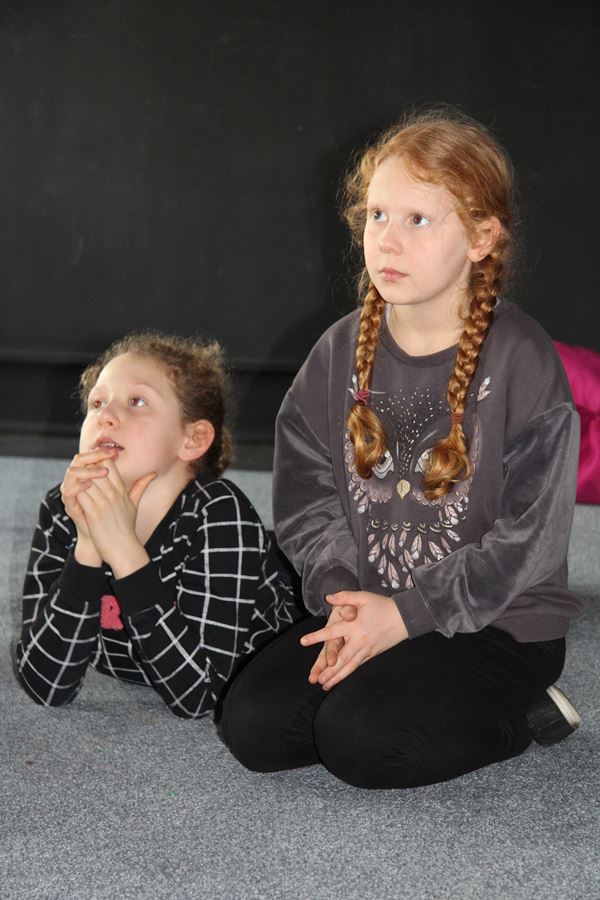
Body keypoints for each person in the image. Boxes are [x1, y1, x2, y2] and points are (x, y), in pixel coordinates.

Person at [218, 108, 583, 788]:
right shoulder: (338, 350)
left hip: (499, 623)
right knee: (255, 728)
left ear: (481, 237)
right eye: (377, 215)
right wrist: (342, 598)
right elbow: (308, 499)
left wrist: (408, 615)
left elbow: (529, 540)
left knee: (362, 743)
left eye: (418, 219)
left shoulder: (523, 358)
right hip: (371, 602)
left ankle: (523, 717)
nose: (387, 239)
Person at [17, 332, 299, 718]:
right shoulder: (63, 507)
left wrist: (124, 551)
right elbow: (45, 686)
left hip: (281, 627)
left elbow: (200, 696)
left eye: (136, 401)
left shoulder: (219, 513)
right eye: (97, 402)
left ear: (192, 439)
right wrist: (89, 544)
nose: (105, 416)